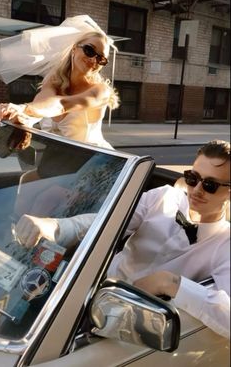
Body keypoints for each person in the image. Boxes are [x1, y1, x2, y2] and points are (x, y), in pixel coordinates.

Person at [13, 140, 230, 338]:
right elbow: (108, 221)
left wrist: (171, 283)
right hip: (91, 294)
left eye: (210, 185)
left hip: (136, 328)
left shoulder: (225, 243)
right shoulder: (163, 196)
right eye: (192, 178)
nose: (197, 190)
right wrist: (55, 225)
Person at [0, 15, 119, 149]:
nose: (94, 60)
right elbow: (40, 106)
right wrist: (18, 117)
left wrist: (22, 108)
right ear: (74, 49)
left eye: (101, 59)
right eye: (89, 50)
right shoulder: (53, 80)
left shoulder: (100, 91)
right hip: (55, 163)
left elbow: (61, 105)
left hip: (90, 163)